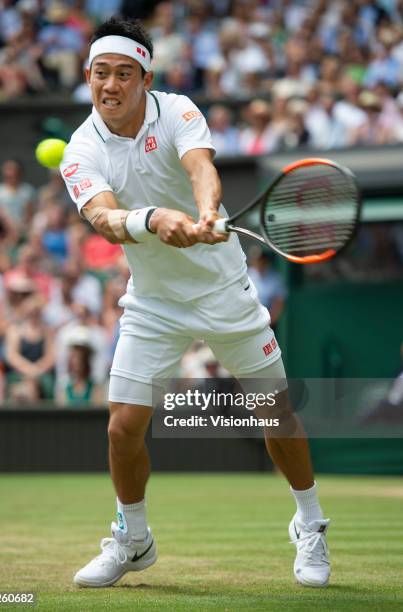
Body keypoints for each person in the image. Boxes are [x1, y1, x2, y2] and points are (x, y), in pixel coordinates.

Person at [61, 17, 331, 589]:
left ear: (145, 78)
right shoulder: (79, 149)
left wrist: (207, 211)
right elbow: (105, 219)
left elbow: (201, 168)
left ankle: (310, 524)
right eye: (100, 74)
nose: (110, 85)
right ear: (88, 77)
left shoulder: (179, 110)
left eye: (123, 75)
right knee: (121, 427)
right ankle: (134, 540)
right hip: (154, 302)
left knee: (275, 412)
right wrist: (155, 219)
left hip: (221, 291)